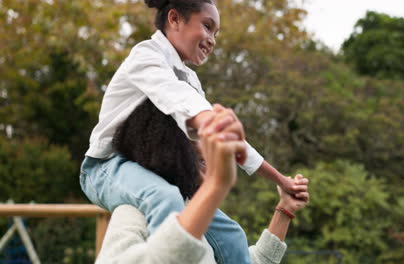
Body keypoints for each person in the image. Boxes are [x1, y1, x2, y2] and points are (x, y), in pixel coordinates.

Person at [80, 1, 307, 263]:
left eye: (216, 33)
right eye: (207, 27)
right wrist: (215, 125)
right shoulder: (146, 56)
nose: (212, 40)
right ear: (175, 19)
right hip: (105, 168)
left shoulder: (189, 78)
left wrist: (282, 181)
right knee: (163, 197)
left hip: (155, 174)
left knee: (233, 235)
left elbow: (232, 144)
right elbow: (179, 101)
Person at [95, 105, 309, 263]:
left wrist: (285, 210)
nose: (209, 168)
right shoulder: (133, 214)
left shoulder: (196, 212)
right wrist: (216, 186)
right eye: (200, 159)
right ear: (169, 157)